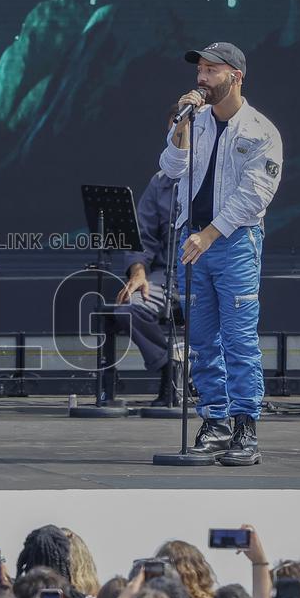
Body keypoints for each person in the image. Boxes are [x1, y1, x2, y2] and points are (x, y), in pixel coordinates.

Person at [160, 42, 283, 465]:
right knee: (201, 340)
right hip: (192, 240)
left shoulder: (260, 131)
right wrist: (180, 125)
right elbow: (171, 169)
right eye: (200, 69)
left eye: (212, 70)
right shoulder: (195, 121)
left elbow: (255, 196)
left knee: (239, 339)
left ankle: (245, 425)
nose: (201, 78)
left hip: (232, 244)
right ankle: (215, 420)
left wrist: (210, 235)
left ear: (236, 76)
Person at [114, 104, 182, 406]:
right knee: (129, 307)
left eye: (182, 129)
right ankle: (170, 369)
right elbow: (142, 237)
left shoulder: (218, 179)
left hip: (208, 275)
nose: (177, 135)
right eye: (173, 130)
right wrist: (138, 272)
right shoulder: (160, 182)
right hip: (165, 276)